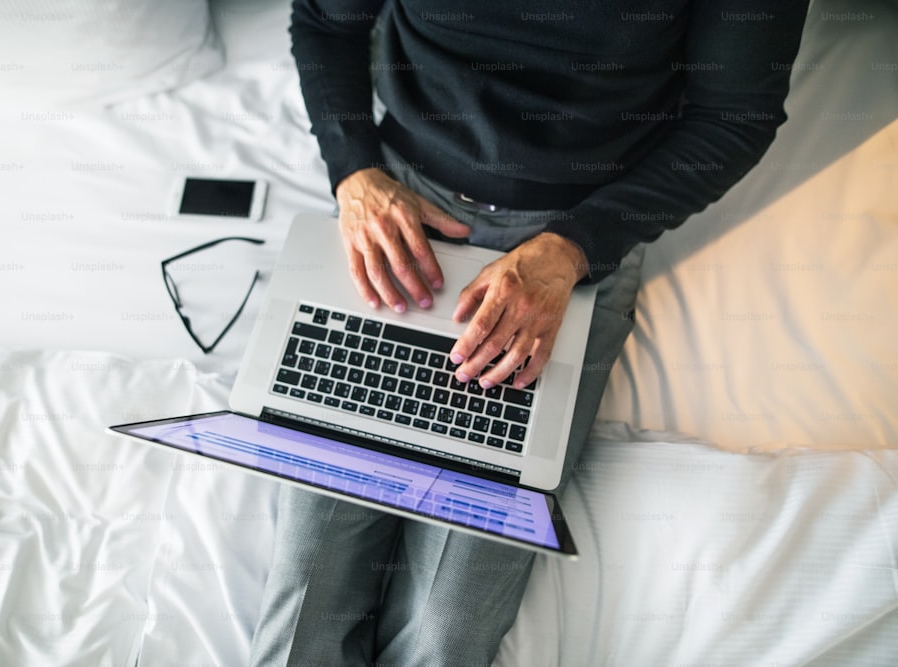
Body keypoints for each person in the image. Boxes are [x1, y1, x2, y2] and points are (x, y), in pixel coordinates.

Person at [250, 2, 808, 665]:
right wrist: (353, 171)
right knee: (303, 604)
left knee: (447, 629)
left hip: (575, 234)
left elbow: (734, 116)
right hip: (404, 203)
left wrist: (573, 250)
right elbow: (324, 20)